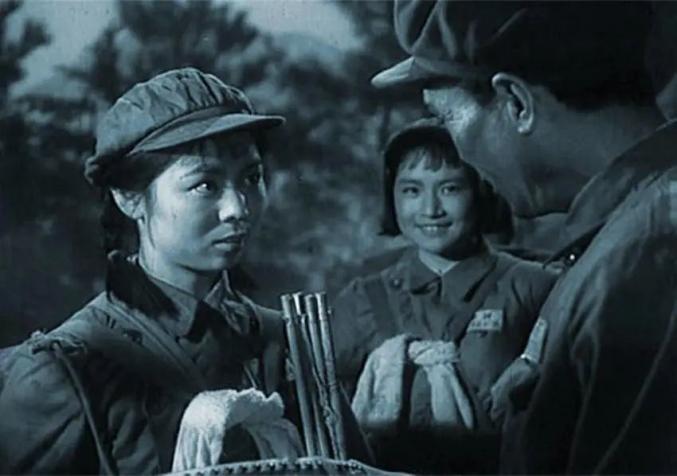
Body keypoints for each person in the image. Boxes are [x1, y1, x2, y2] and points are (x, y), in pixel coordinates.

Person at [0, 68, 369, 474]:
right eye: (205, 185)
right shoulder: (71, 367)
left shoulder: (287, 344)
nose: (238, 208)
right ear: (129, 198)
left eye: (251, 178)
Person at [372, 1, 677, 474]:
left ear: (516, 102)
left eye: (447, 118)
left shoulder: (641, 262)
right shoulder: (629, 237)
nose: (459, 156)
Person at [331, 119, 557, 474]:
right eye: (412, 191)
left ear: (481, 191)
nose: (430, 209)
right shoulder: (363, 299)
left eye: (450, 189)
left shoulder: (534, 286)